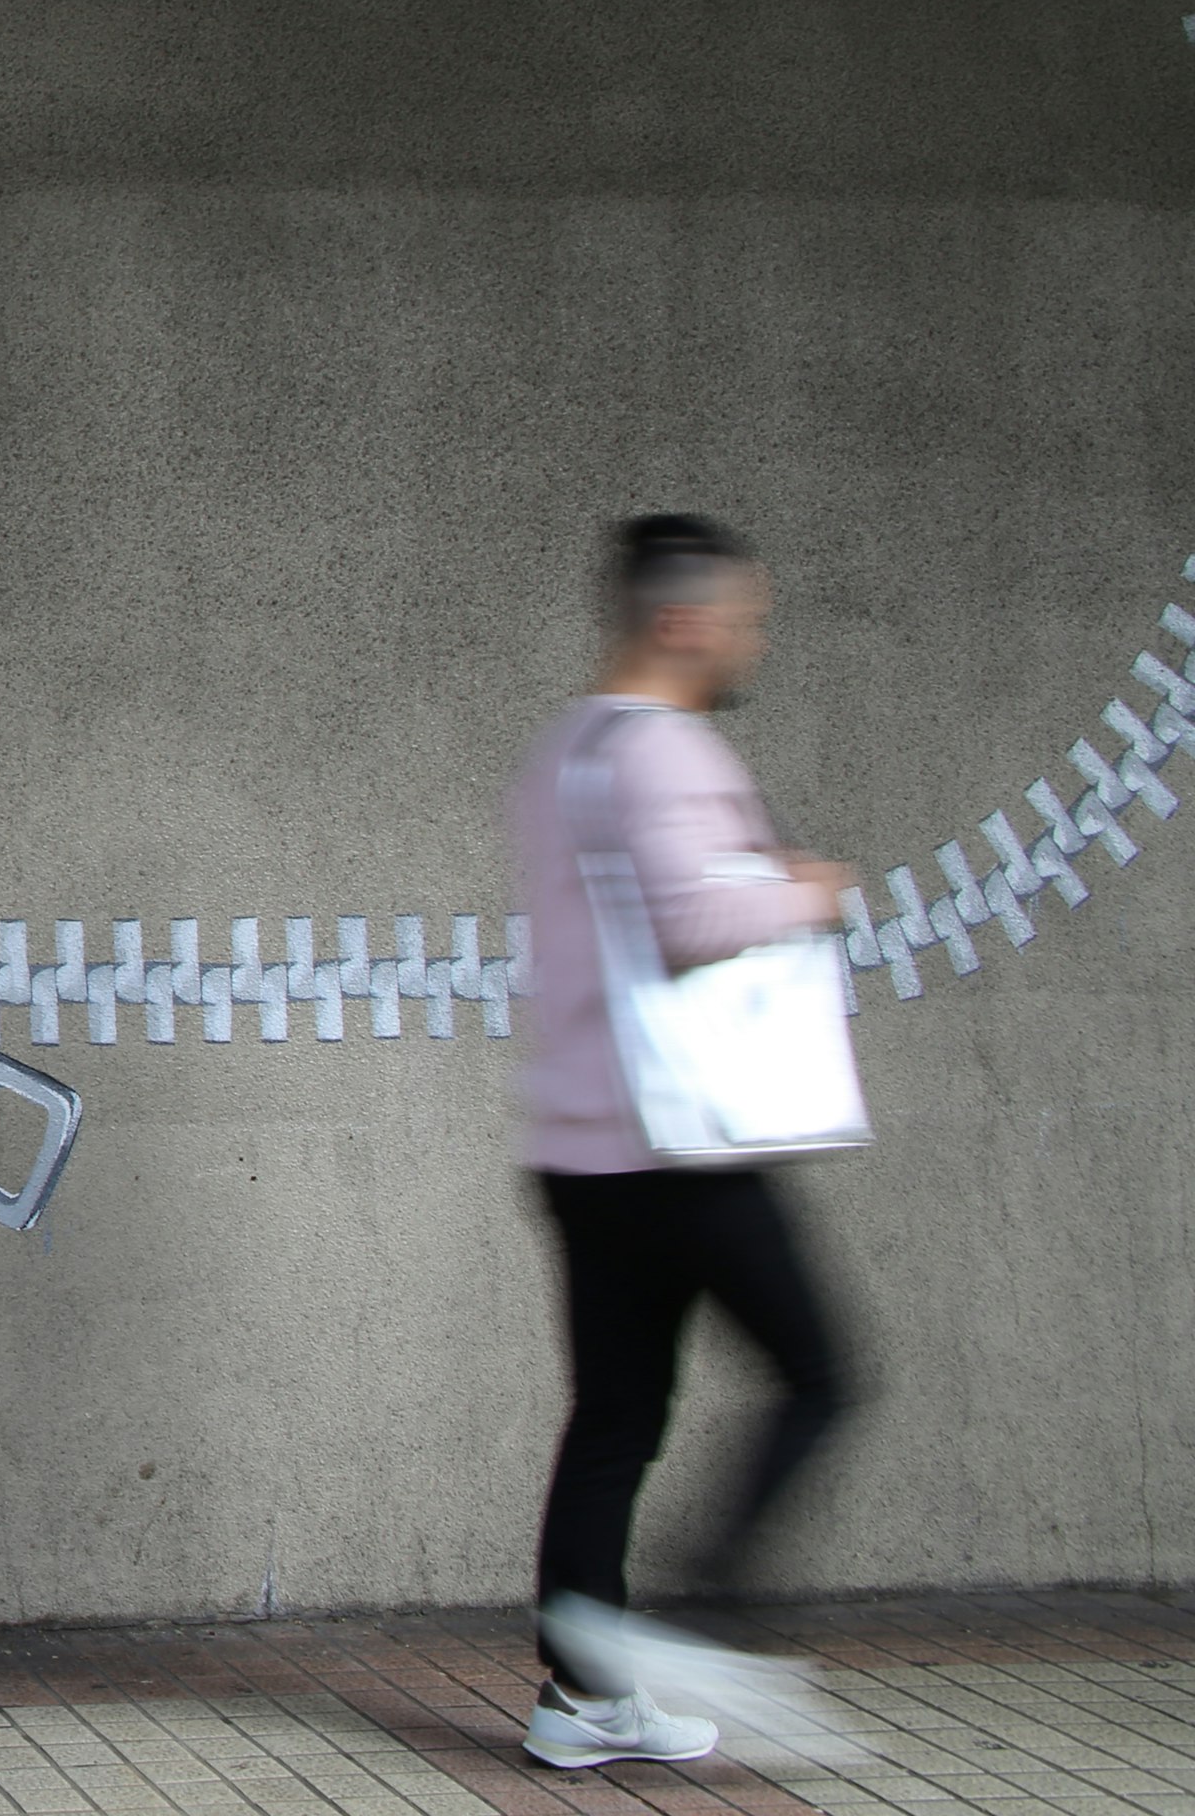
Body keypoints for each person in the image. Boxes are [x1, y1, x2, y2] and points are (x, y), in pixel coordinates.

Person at [505, 514, 856, 1770]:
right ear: (682, 620)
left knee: (612, 1419)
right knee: (823, 1373)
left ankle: (582, 1697)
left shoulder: (562, 754)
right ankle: (713, 1606)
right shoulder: (667, 749)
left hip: (580, 1147)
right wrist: (807, 888)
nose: (751, 640)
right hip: (685, 1148)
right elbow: (694, 915)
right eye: (745, 618)